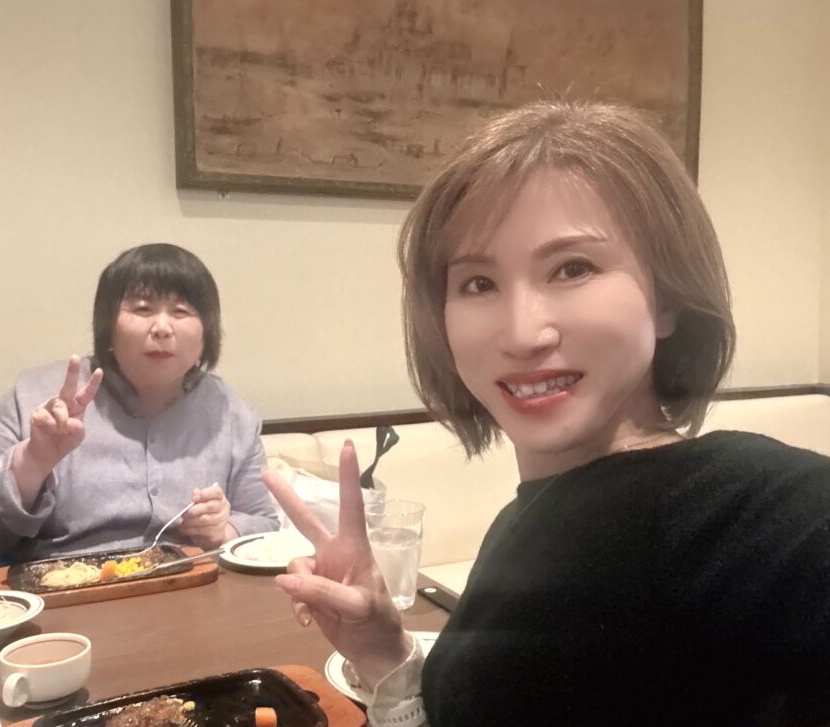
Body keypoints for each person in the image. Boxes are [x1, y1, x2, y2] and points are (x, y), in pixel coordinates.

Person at [263, 100, 830, 726]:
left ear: (668, 299)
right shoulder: (525, 519)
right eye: (479, 283)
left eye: (572, 268)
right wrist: (382, 652)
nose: (522, 333)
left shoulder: (741, 508)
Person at [0, 243, 278, 569]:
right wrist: (32, 461)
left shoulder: (230, 413)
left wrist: (224, 531)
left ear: (207, 332)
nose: (162, 328)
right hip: (57, 588)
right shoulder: (36, 396)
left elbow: (264, 523)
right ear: (107, 325)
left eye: (181, 312)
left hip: (186, 586)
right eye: (143, 309)